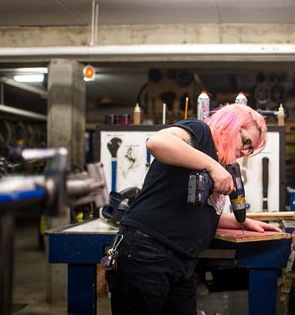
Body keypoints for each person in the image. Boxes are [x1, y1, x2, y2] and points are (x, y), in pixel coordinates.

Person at [105, 103, 282, 315]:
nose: (244, 152)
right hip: (145, 254)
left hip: (181, 262)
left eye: (250, 149)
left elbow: (202, 213)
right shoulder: (200, 133)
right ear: (230, 126)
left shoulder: (221, 166)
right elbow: (156, 142)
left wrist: (241, 222)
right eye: (245, 142)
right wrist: (212, 166)